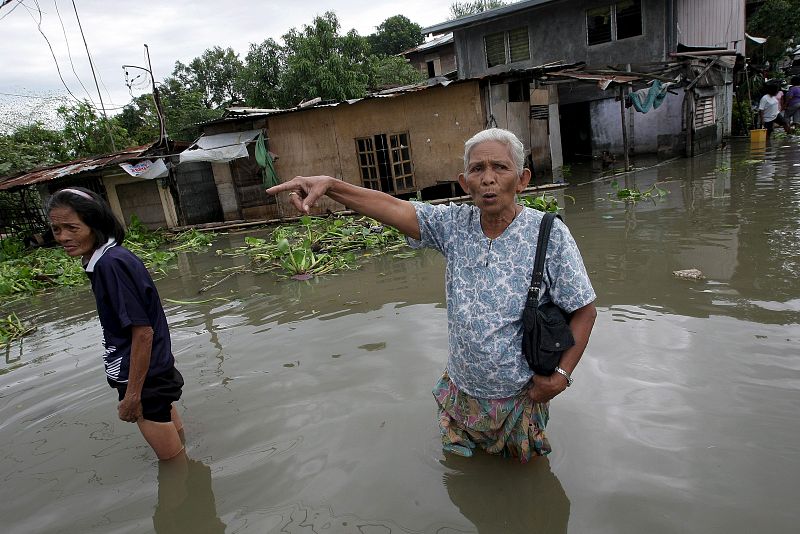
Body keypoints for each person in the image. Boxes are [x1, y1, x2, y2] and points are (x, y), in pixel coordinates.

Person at [266, 128, 596, 463]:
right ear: (464, 182)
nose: (488, 179)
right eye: (477, 170)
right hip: (462, 391)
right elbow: (392, 207)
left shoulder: (549, 234)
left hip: (522, 397)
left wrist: (560, 378)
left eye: (500, 167)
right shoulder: (453, 226)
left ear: (522, 180)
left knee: (526, 483)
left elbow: (585, 311)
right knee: (464, 471)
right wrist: (332, 185)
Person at [47, 187, 185, 460]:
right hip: (155, 369)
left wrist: (132, 396)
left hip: (144, 376)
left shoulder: (110, 264)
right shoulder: (111, 257)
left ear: (94, 223)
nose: (63, 237)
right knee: (177, 442)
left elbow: (142, 332)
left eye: (72, 228)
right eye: (56, 229)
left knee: (173, 466)